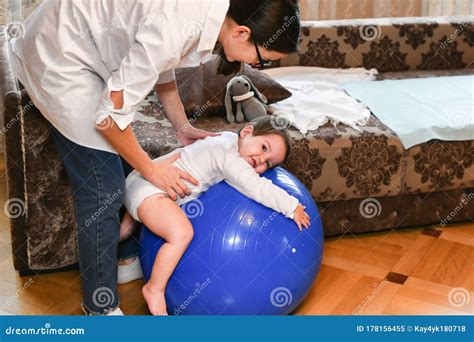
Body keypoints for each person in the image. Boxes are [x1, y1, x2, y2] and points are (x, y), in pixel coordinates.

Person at [8, 0, 301, 315]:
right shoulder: (179, 22)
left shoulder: (202, 21)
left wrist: (182, 126)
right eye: (262, 60)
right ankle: (100, 307)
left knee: (120, 162)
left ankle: (123, 257)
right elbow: (109, 117)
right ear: (242, 32)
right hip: (59, 52)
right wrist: (150, 169)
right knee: (103, 187)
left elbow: (162, 64)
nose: (257, 67)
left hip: (91, 50)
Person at [121, 116, 310, 315]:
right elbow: (256, 187)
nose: (262, 160)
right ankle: (154, 289)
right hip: (150, 191)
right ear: (246, 132)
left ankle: (109, 248)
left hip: (139, 179)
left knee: (122, 232)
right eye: (264, 147)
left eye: (269, 164)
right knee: (181, 233)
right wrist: (292, 206)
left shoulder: (226, 139)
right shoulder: (228, 157)